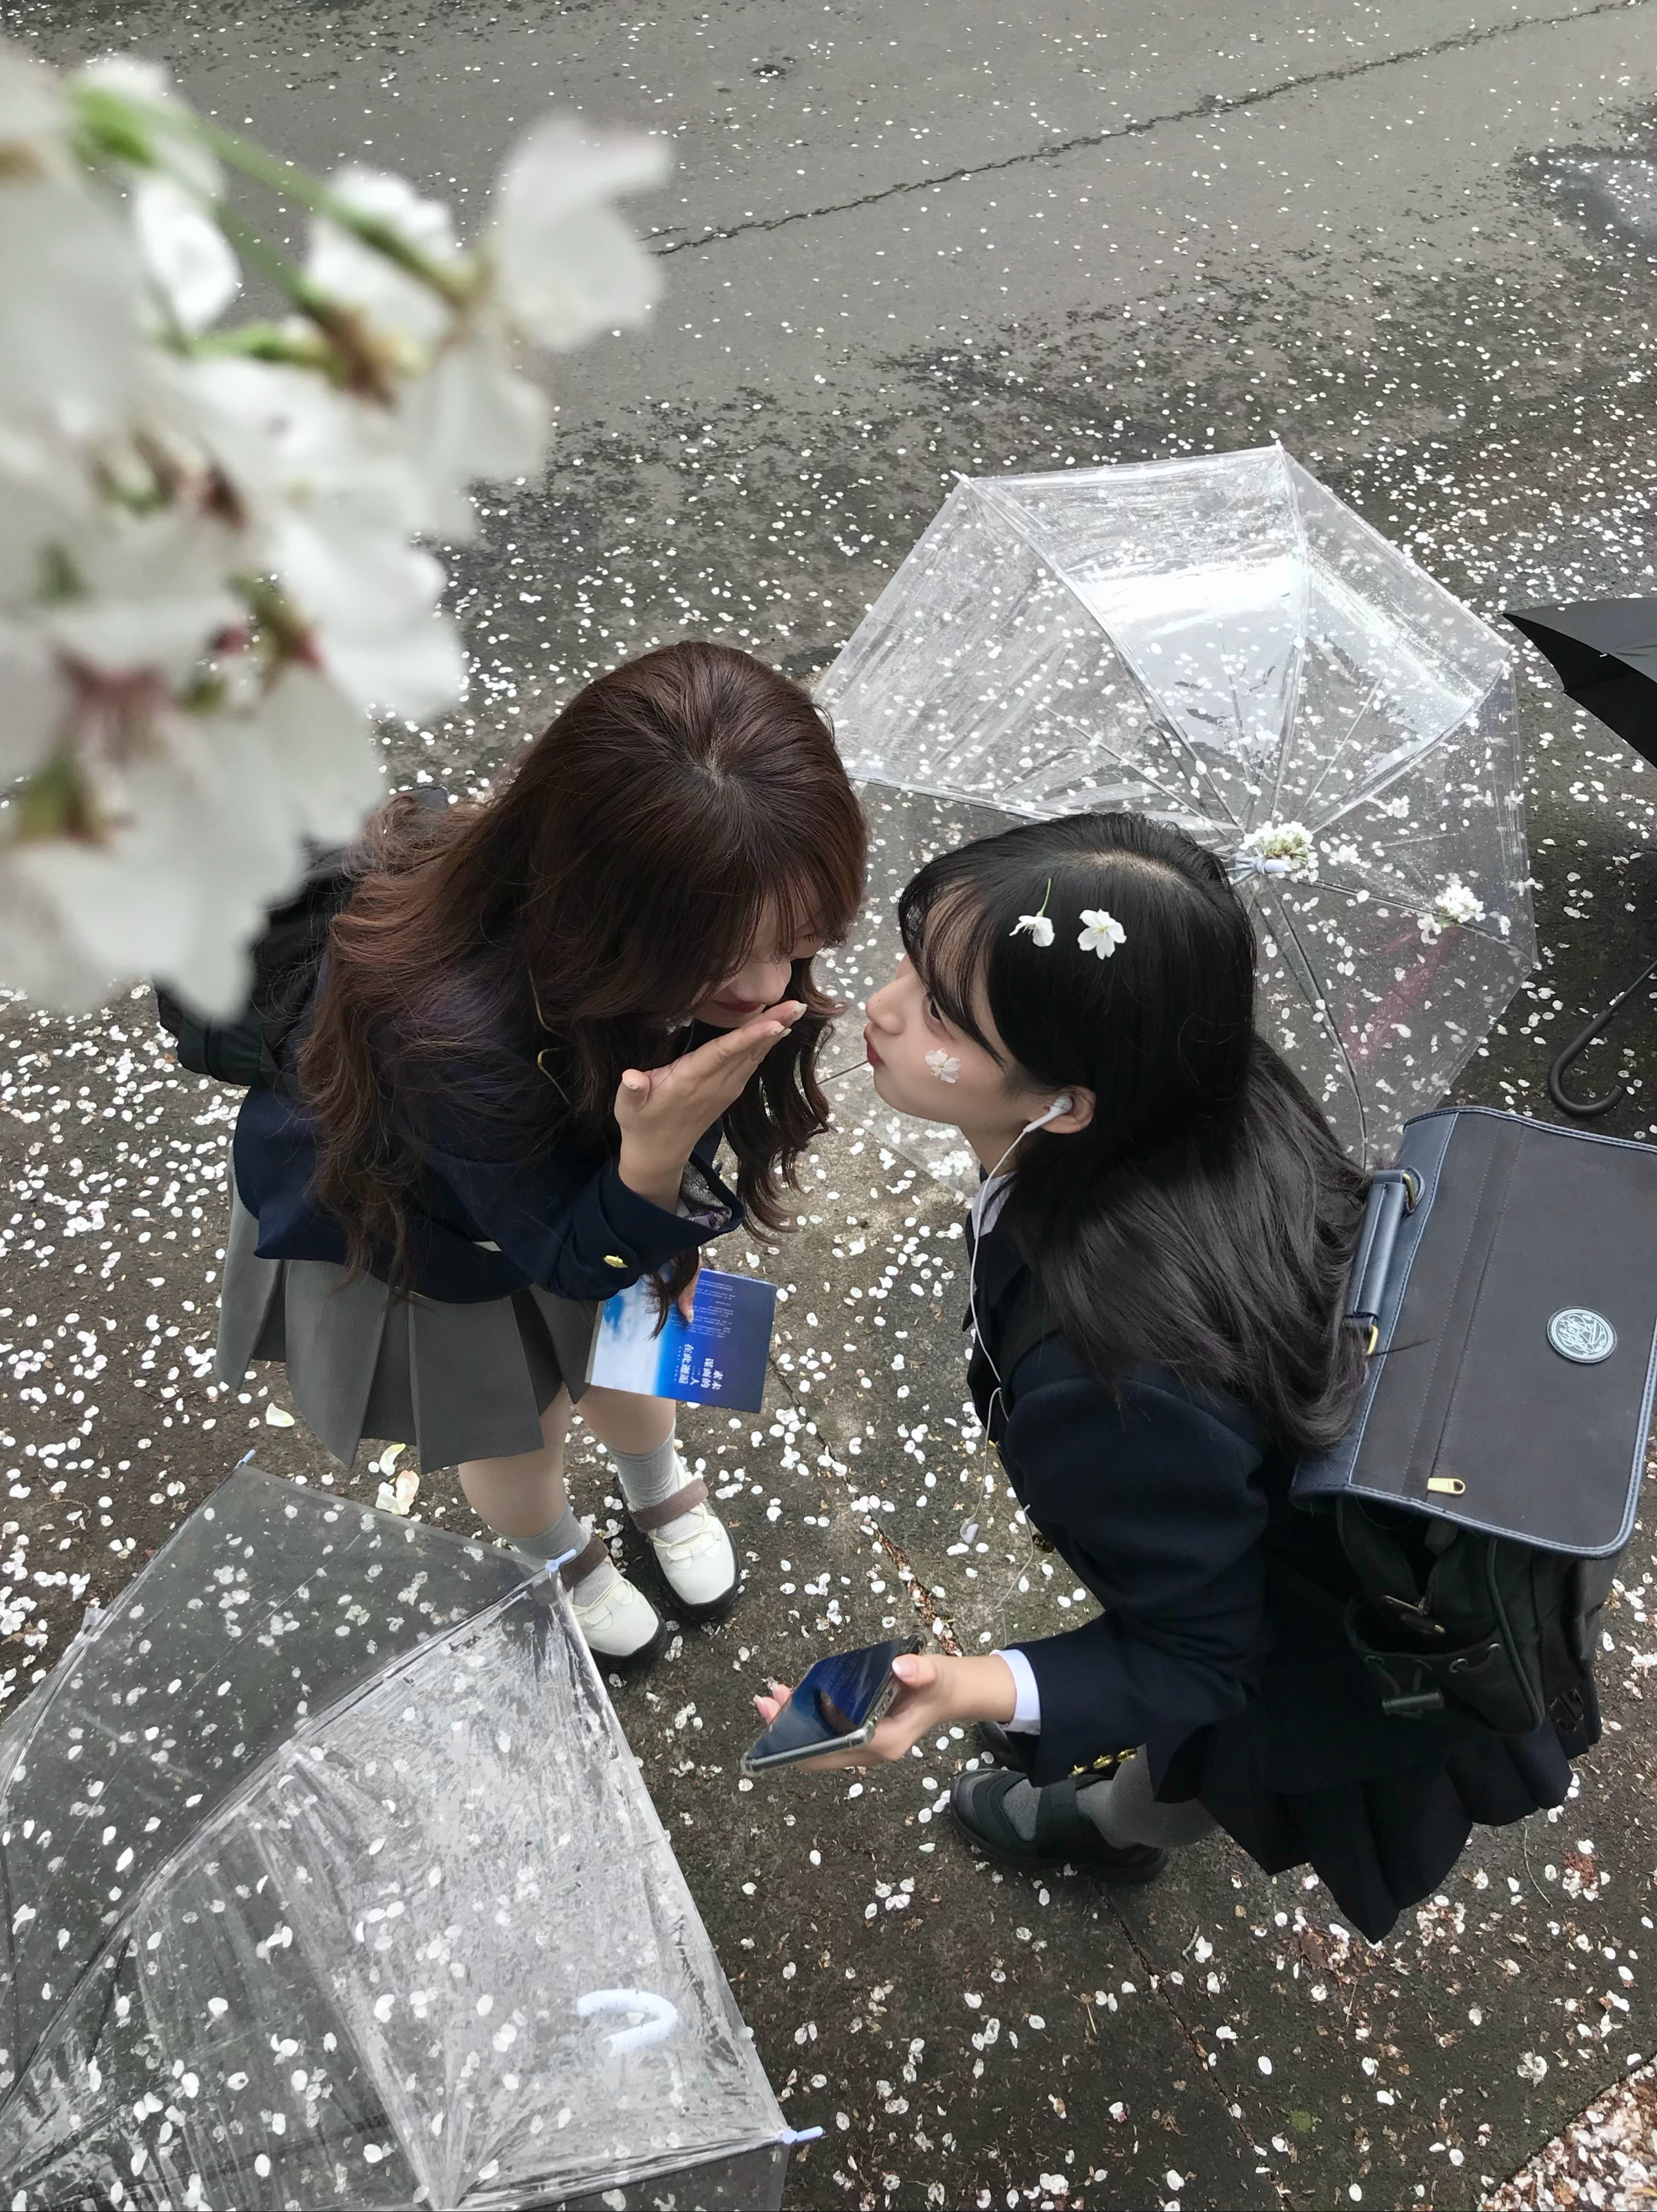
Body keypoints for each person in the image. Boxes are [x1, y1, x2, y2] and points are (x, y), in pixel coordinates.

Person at [754, 811, 1586, 1942]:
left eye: (943, 1011)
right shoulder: (1213, 1093)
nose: (883, 1007)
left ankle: (1108, 1828)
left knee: (1202, 1762)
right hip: (1254, 1522)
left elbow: (1204, 1659)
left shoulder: (1110, 1379)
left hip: (1307, 1642)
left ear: (1067, 1102)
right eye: (912, 963)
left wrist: (972, 1684)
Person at [218, 641, 866, 1666]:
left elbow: (598, 1254)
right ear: (600, 909)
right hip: (438, 1243)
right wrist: (653, 1159)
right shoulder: (449, 1033)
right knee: (517, 1428)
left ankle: (656, 1482)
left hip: (590, 1190)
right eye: (713, 954)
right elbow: (558, 1255)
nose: (763, 987)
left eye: (796, 939)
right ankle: (560, 1553)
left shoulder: (633, 926)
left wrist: (655, 1178)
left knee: (632, 1362)